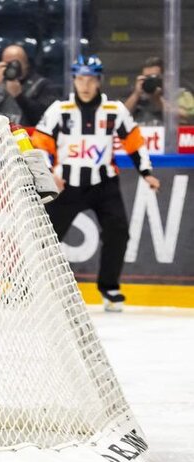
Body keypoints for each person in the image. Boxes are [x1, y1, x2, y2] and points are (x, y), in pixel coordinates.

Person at [32, 55, 161, 312]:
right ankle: (26, 285)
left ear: (99, 80)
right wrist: (49, 173)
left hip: (104, 185)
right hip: (66, 185)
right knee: (45, 237)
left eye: (90, 78)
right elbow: (39, 142)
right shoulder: (59, 110)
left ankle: (109, 287)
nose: (85, 84)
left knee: (118, 233)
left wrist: (146, 172)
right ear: (74, 80)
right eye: (81, 78)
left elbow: (134, 143)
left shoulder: (115, 111)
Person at [0, 44, 55, 127]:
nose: (12, 67)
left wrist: (19, 97)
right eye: (7, 64)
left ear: (26, 64)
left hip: (27, 136)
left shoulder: (42, 85)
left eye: (15, 63)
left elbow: (42, 119)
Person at [123, 56, 194, 126]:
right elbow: (120, 116)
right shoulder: (137, 97)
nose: (150, 81)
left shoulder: (180, 94)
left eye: (154, 77)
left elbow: (188, 117)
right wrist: (136, 94)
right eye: (147, 78)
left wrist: (158, 101)